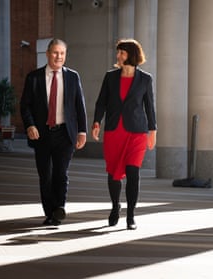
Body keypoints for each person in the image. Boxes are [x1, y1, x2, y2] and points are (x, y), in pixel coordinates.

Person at [20, 38, 87, 226]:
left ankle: (59, 208)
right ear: (48, 54)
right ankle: (49, 212)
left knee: (61, 174)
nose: (59, 56)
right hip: (41, 134)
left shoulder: (73, 77)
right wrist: (30, 125)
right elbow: (25, 106)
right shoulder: (34, 77)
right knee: (46, 175)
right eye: (55, 53)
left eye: (62, 53)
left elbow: (79, 106)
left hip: (65, 133)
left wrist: (82, 131)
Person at [92, 38, 157, 230]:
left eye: (122, 52)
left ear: (131, 54)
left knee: (133, 173)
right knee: (113, 174)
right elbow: (101, 102)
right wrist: (97, 122)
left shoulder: (145, 79)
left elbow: (149, 107)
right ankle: (114, 206)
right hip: (114, 131)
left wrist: (153, 130)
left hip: (137, 132)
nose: (118, 56)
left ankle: (130, 215)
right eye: (118, 52)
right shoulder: (110, 77)